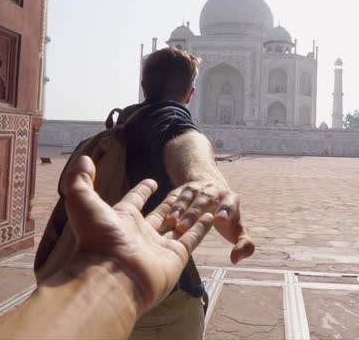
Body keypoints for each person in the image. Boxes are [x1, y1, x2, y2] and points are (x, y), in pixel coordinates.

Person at [79, 47, 255, 339]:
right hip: (157, 297)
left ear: (144, 84)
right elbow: (191, 152)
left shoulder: (121, 123)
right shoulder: (172, 120)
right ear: (191, 94)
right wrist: (227, 214)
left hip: (92, 286)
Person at [0, 156, 215, 339]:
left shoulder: (106, 137)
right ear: (190, 95)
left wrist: (108, 274)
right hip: (168, 301)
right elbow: (188, 142)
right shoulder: (172, 122)